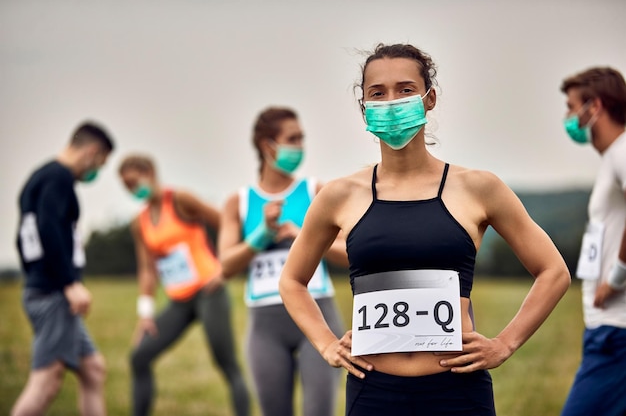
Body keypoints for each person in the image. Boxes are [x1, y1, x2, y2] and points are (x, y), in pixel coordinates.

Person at [278, 43, 572, 416]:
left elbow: (554, 271)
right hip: (373, 392)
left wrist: (505, 344)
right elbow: (291, 280)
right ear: (363, 107)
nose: (391, 102)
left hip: (458, 391)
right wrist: (326, 344)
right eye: (377, 93)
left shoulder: (478, 188)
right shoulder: (338, 196)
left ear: (429, 99)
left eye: (405, 89)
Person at [218, 107, 347, 416]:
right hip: (266, 328)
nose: (300, 146)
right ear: (267, 146)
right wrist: (262, 234)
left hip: (318, 318)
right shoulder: (240, 201)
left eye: (301, 138)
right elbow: (226, 265)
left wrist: (303, 236)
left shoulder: (317, 191)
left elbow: (350, 253)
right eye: (293, 139)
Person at [117, 154, 250, 416]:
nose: (133, 190)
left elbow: (228, 222)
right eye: (127, 187)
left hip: (209, 292)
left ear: (150, 173)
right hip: (179, 301)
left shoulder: (180, 200)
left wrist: (225, 269)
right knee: (139, 357)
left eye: (135, 182)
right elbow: (147, 269)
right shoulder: (139, 222)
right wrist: (144, 313)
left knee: (227, 363)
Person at [12, 121, 115, 416]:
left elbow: (21, 239)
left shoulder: (40, 176)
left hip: (45, 288)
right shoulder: (59, 178)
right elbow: (48, 229)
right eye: (100, 164)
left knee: (93, 370)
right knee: (46, 382)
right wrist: (68, 283)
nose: (95, 171)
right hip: (53, 293)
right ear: (92, 152)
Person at [559, 67, 626, 416]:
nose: (568, 118)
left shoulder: (622, 150)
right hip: (607, 331)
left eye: (571, 107)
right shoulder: (612, 159)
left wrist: (616, 278)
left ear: (594, 106)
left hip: (616, 332)